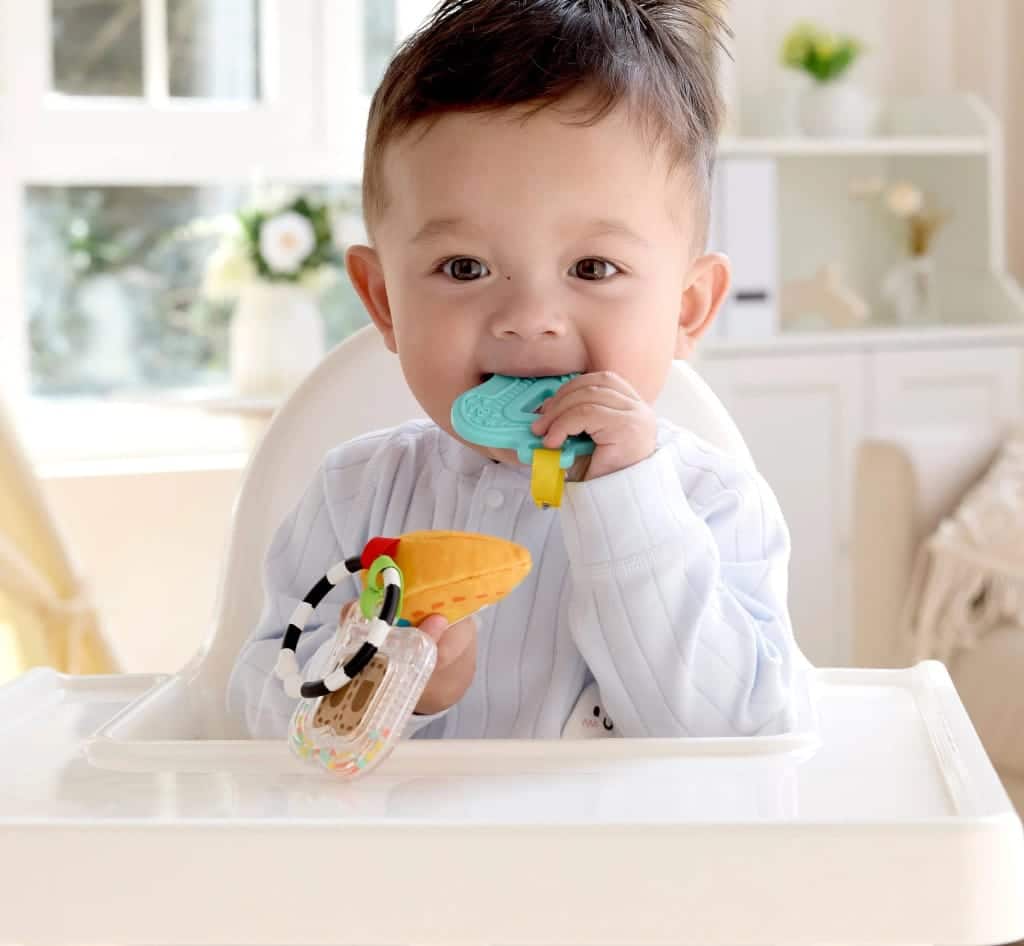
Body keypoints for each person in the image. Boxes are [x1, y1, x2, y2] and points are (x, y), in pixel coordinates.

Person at [228, 0, 811, 740]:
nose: (530, 318)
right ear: (384, 300)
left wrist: (628, 502)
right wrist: (389, 684)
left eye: (593, 267)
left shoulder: (714, 502)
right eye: (464, 267)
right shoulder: (356, 496)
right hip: (405, 823)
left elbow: (742, 733)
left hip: (625, 824)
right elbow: (259, 705)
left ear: (687, 309)